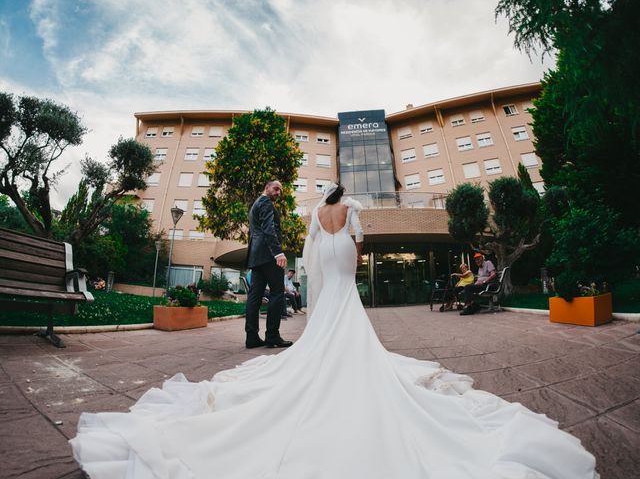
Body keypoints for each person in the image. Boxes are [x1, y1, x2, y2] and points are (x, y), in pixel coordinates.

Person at [69, 183, 596, 478]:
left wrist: (323, 254)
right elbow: (358, 239)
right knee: (350, 302)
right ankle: (345, 348)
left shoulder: (314, 211)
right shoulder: (352, 207)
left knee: (330, 308)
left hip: (327, 253)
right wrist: (354, 246)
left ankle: (318, 346)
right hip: (345, 257)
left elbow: (310, 251)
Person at [243, 180, 293, 349]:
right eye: (276, 188)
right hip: (269, 255)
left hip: (256, 256)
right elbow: (268, 229)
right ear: (267, 187)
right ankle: (272, 336)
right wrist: (278, 252)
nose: (278, 192)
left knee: (254, 296)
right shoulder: (265, 203)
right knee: (277, 293)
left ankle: (251, 337)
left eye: (281, 190)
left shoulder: (256, 204)